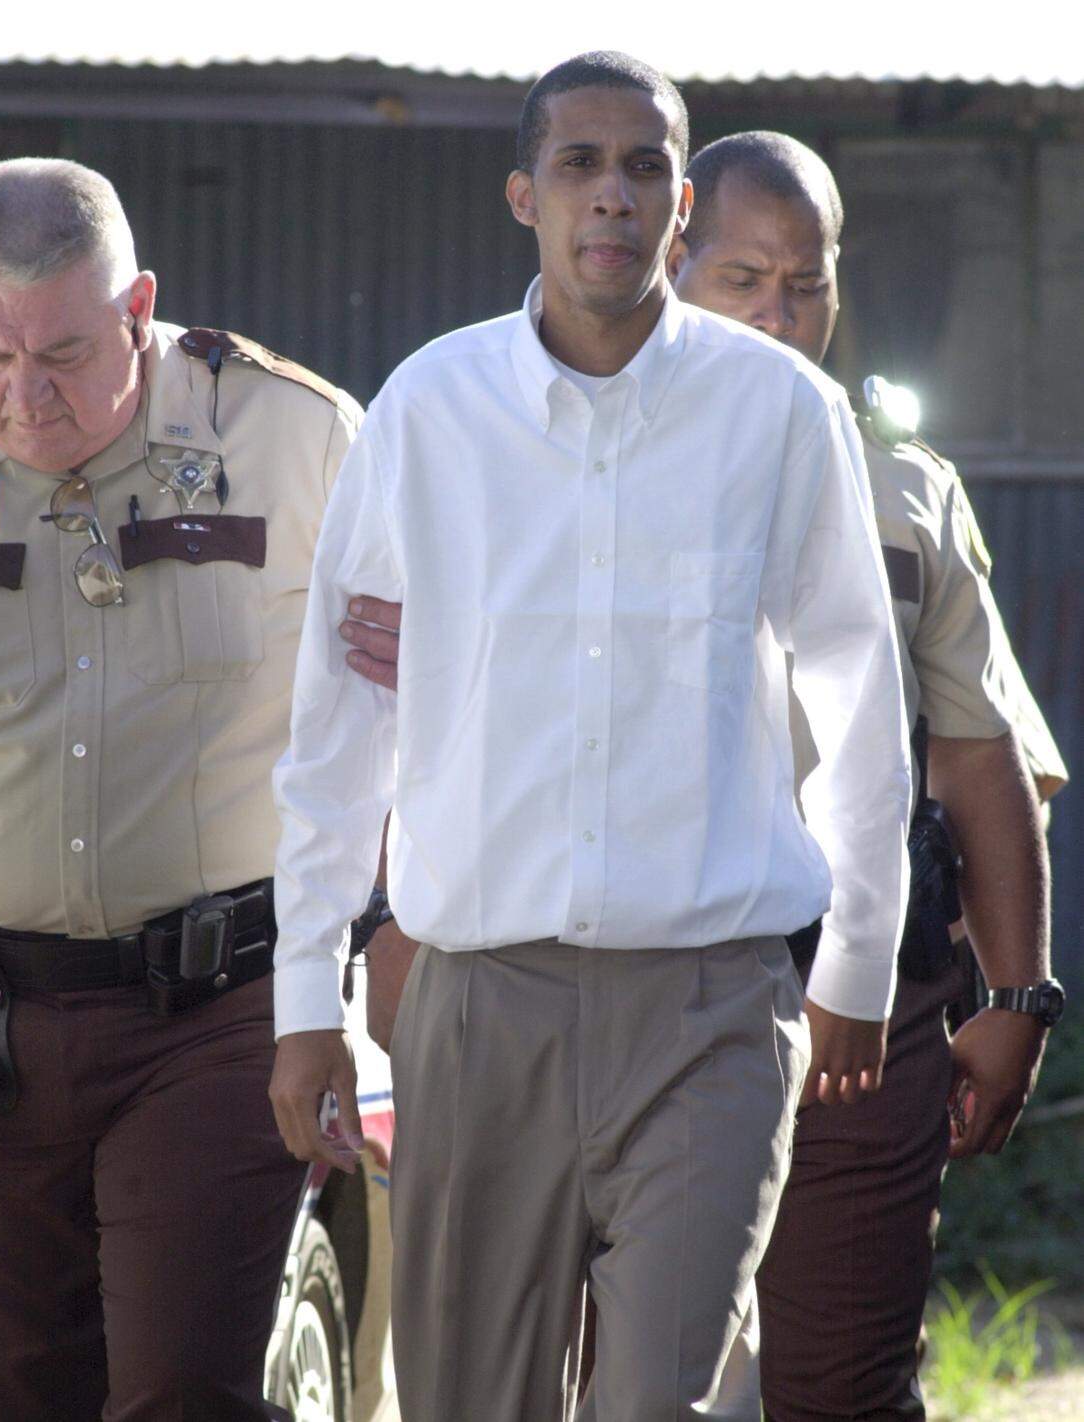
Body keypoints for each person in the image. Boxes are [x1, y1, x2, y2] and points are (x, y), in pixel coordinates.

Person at [269, 53, 913, 1422]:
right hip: (480, 1007)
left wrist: (859, 954)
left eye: (644, 167)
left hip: (712, 1010)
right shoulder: (428, 414)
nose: (611, 194)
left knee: (654, 1404)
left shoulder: (781, 416)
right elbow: (341, 719)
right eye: (579, 163)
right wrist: (305, 995)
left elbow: (861, 689)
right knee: (465, 1401)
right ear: (524, 195)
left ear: (681, 209)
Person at [0, 157, 361, 1421]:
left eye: (65, 355)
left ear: (140, 312)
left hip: (217, 1012)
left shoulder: (297, 438)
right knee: (7, 1397)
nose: (24, 399)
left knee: (184, 1388)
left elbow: (416, 706)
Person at [666, 130, 1067, 1421]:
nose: (780, 316)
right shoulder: (570, 465)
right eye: (742, 278)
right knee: (622, 1379)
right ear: (672, 263)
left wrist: (1016, 994)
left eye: (807, 281)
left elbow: (980, 749)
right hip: (633, 987)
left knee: (841, 1383)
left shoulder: (904, 488)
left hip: (860, 1004)